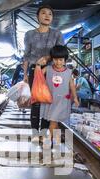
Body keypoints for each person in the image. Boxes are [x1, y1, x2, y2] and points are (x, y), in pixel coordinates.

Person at [23, 5, 64, 142]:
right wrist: (25, 75)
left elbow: (61, 52)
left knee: (48, 103)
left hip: (52, 71)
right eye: (43, 13)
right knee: (35, 103)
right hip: (35, 70)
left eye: (50, 14)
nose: (47, 16)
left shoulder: (57, 34)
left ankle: (43, 133)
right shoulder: (29, 34)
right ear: (37, 16)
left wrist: (47, 59)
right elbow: (26, 55)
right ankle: (35, 134)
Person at [39, 45, 79, 146]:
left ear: (65, 60)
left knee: (53, 121)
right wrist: (38, 64)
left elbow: (72, 86)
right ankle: (56, 139)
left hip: (62, 101)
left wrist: (75, 98)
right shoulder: (48, 69)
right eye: (55, 59)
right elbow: (37, 75)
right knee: (55, 121)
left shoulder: (69, 72)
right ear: (52, 59)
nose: (58, 62)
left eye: (61, 60)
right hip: (50, 100)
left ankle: (49, 141)